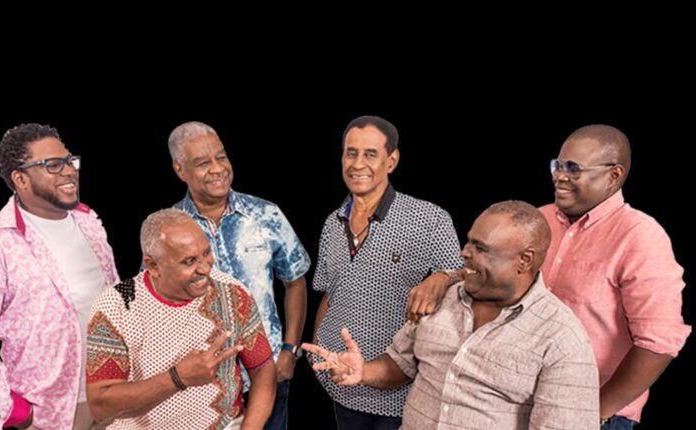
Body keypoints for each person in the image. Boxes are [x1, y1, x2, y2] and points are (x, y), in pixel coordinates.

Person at [305, 200, 600, 429]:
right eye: (469, 241)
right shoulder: (440, 299)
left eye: (481, 248)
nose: (464, 252)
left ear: (524, 260)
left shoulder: (562, 339)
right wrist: (363, 371)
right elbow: (399, 364)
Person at [0, 123, 120, 429]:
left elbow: (115, 297)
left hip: (112, 395)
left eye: (69, 161)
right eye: (53, 165)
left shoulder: (89, 222)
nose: (69, 172)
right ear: (20, 178)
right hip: (49, 413)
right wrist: (15, 410)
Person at [311, 115, 463, 429]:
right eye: (351, 153)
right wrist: (318, 352)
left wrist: (443, 277)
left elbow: (466, 278)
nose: (357, 164)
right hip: (343, 381)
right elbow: (329, 294)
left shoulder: (429, 218)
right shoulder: (332, 223)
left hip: (401, 388)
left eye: (370, 154)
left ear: (391, 161)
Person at [541, 124, 691, 429]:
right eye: (558, 165)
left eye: (574, 168)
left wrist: (593, 412)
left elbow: (658, 342)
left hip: (596, 416)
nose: (560, 176)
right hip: (526, 401)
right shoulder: (538, 220)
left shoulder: (639, 236)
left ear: (614, 175)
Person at [167, 121, 311, 429]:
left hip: (267, 375)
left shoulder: (267, 215)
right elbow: (156, 304)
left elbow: (295, 283)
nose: (217, 168)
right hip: (202, 385)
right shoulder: (169, 230)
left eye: (221, 157)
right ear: (180, 169)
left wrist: (289, 351)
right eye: (202, 163)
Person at [86, 208, 276, 429]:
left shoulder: (233, 293)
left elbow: (263, 370)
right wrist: (177, 378)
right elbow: (100, 405)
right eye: (189, 261)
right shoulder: (115, 307)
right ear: (153, 265)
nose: (205, 268)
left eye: (206, 253)